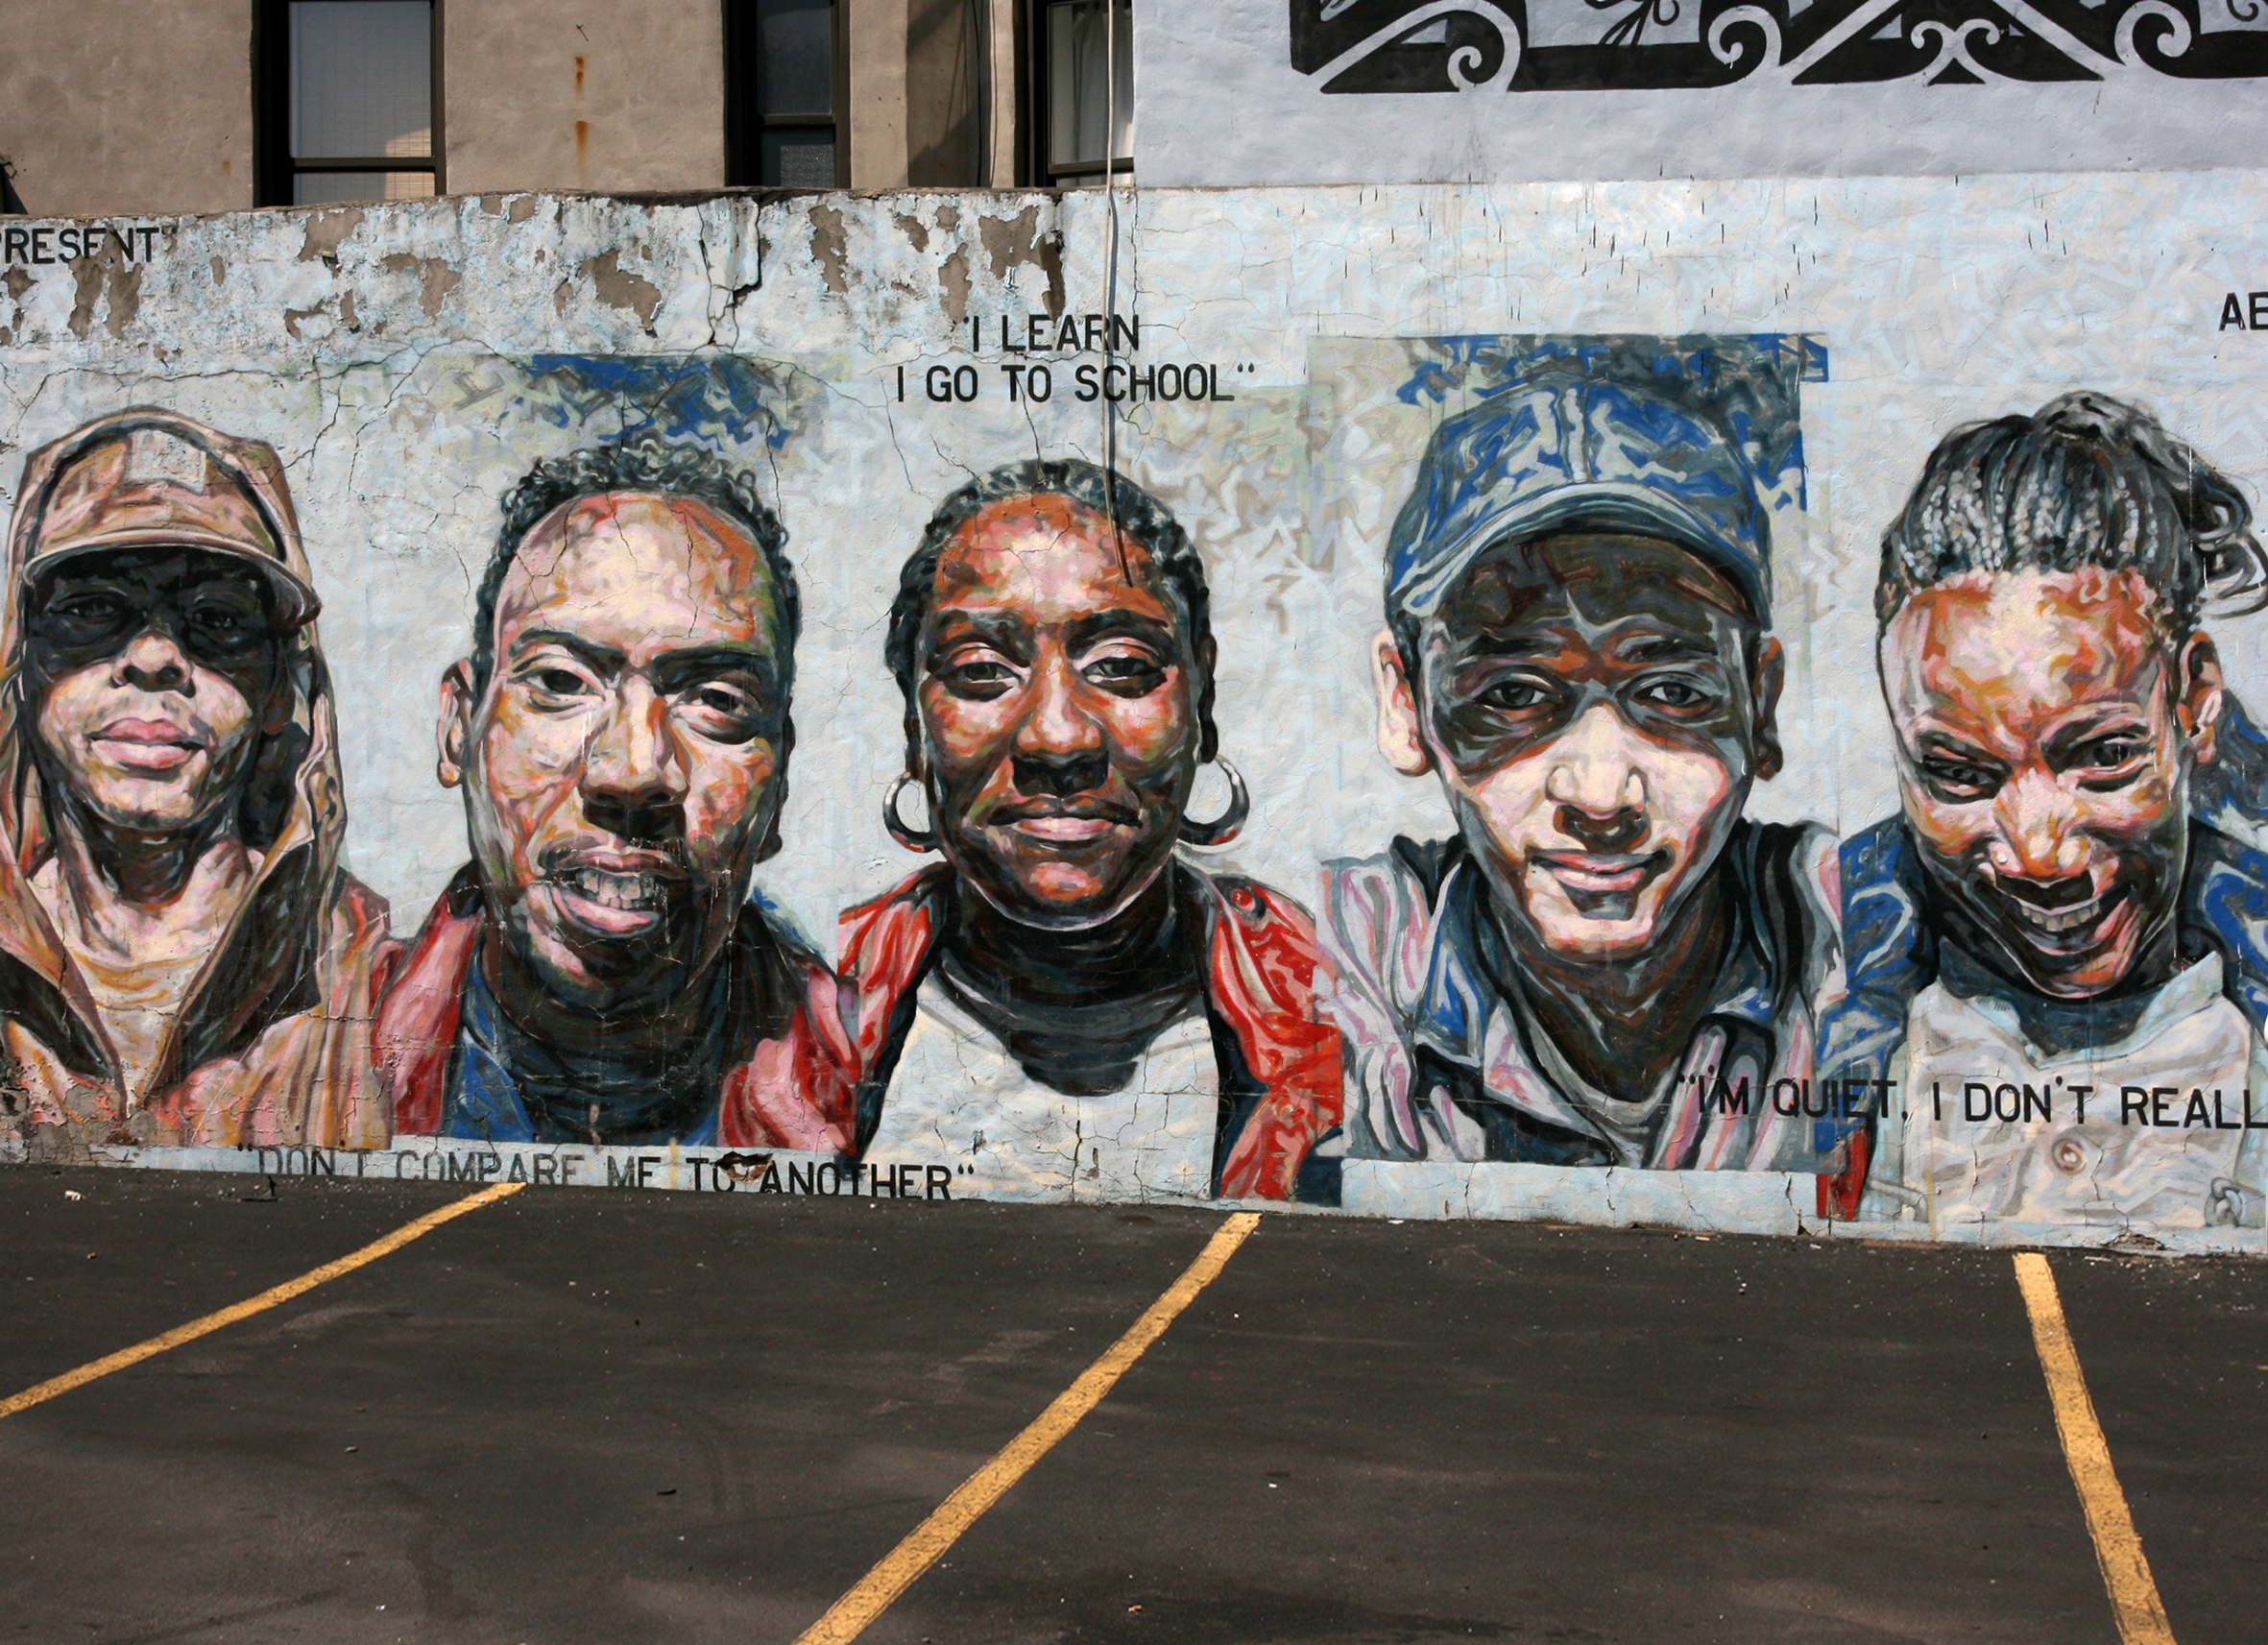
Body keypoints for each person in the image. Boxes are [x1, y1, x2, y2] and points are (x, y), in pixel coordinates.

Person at [1322, 344, 1841, 1173]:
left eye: (1672, 692)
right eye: (1513, 695)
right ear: (1405, 704)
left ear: (1760, 702)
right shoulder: (1343, 956)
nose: (1601, 796)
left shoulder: (1851, 934)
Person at [840, 459, 1341, 1202]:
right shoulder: (810, 1007)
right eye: (980, 669)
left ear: (1201, 705)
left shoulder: (1341, 1013)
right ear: (915, 727)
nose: (1058, 737)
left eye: (1121, 665)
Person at [1824, 393, 2268, 1228]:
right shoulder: (1820, 1019)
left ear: (2195, 699)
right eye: (1959, 773)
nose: (2039, 854)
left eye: (2104, 755)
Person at [377, 437, 856, 1150]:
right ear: (459, 730)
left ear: (779, 782)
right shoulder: (295, 1074)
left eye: (716, 699)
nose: (632, 773)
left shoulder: (881, 1085)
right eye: (560, 681)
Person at [0, 408, 395, 1151]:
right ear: (26, 667)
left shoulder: (369, 975)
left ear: (279, 689)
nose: (154, 657)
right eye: (92, 610)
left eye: (215, 619)